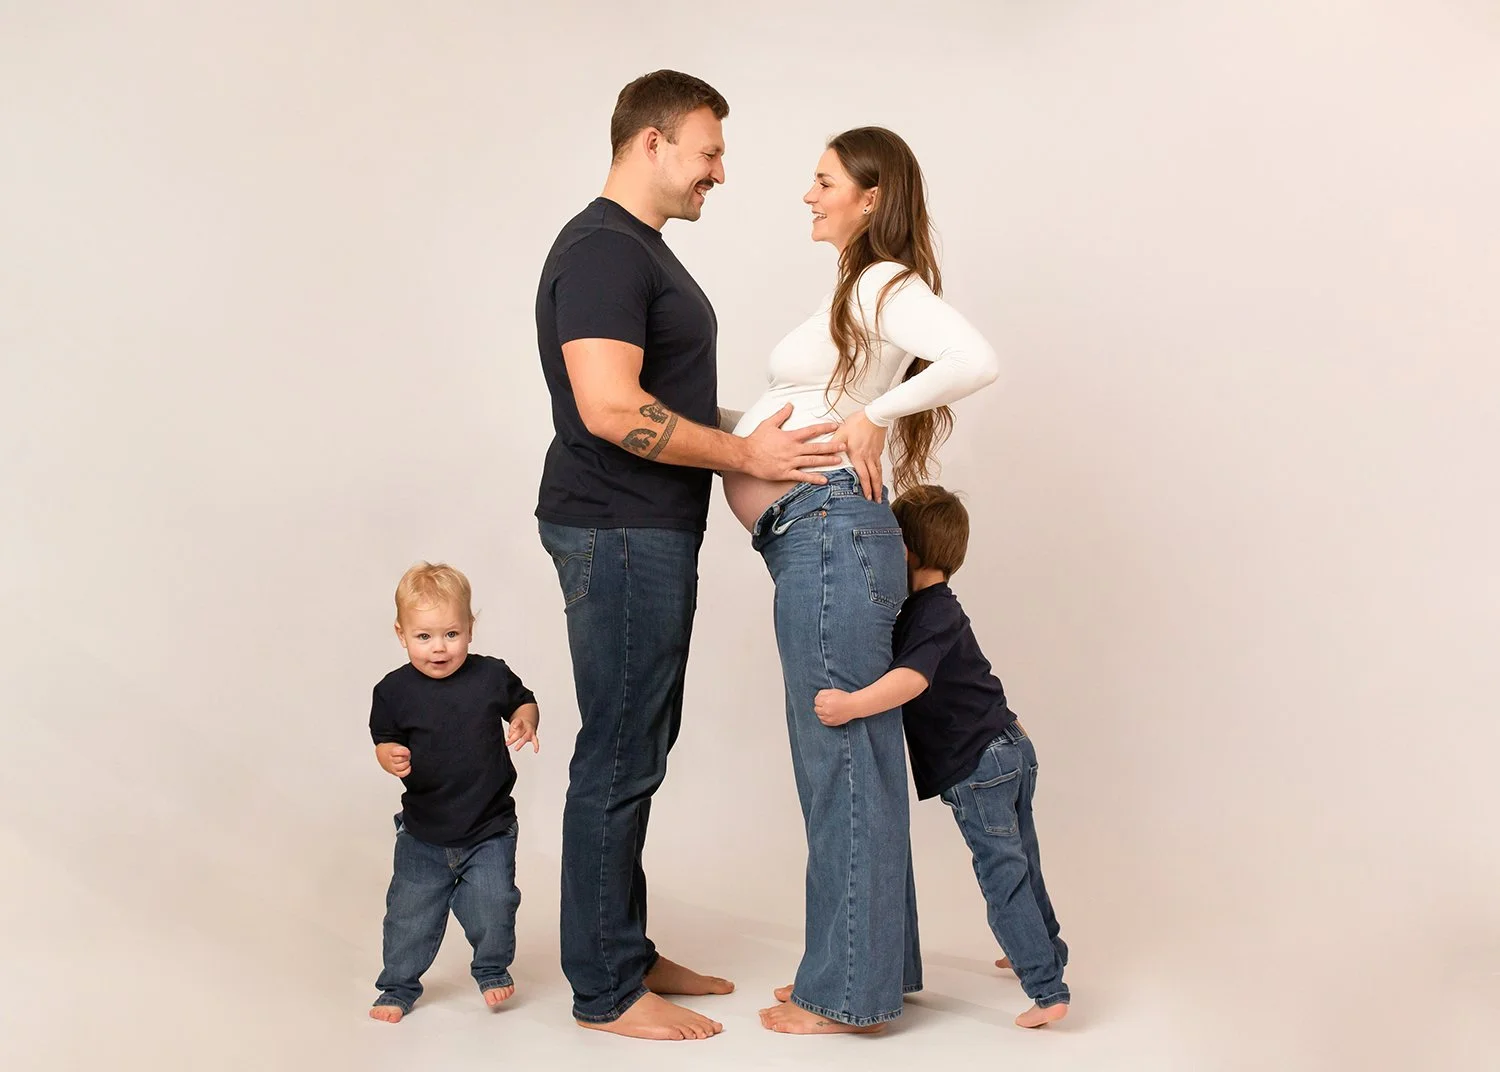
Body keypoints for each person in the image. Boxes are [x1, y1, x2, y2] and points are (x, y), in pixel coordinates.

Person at [533, 69, 847, 1041]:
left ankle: (621, 945)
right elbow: (611, 408)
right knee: (620, 754)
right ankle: (605, 989)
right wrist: (745, 454)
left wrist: (767, 436)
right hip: (618, 527)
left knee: (639, 746)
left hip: (643, 527)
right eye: (708, 150)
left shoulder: (634, 252)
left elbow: (652, 403)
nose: (721, 170)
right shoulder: (601, 250)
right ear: (652, 144)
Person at [719, 127, 1002, 1034]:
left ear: (870, 197)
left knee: (839, 762)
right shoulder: (853, 292)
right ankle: (871, 966)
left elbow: (974, 359)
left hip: (831, 533)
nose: (808, 195)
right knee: (860, 762)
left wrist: (876, 416)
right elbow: (792, 414)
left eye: (824, 180)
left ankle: (844, 993)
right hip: (824, 534)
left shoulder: (881, 283)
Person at [813, 485, 1071, 1029]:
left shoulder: (929, 612)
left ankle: (1047, 991)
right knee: (1024, 864)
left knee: (1005, 878)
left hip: (981, 765)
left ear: (901, 550)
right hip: (1008, 747)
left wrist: (853, 704)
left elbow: (912, 678)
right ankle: (1042, 950)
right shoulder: (936, 608)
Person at [367, 562, 541, 1022]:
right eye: (424, 637)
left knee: (496, 904)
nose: (439, 648)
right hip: (424, 832)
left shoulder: (489, 676)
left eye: (451, 634)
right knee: (408, 916)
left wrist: (526, 719)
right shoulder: (392, 690)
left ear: (470, 629)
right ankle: (398, 986)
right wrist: (389, 755)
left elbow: (524, 700)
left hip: (489, 828)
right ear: (401, 634)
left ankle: (490, 969)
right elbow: (382, 738)